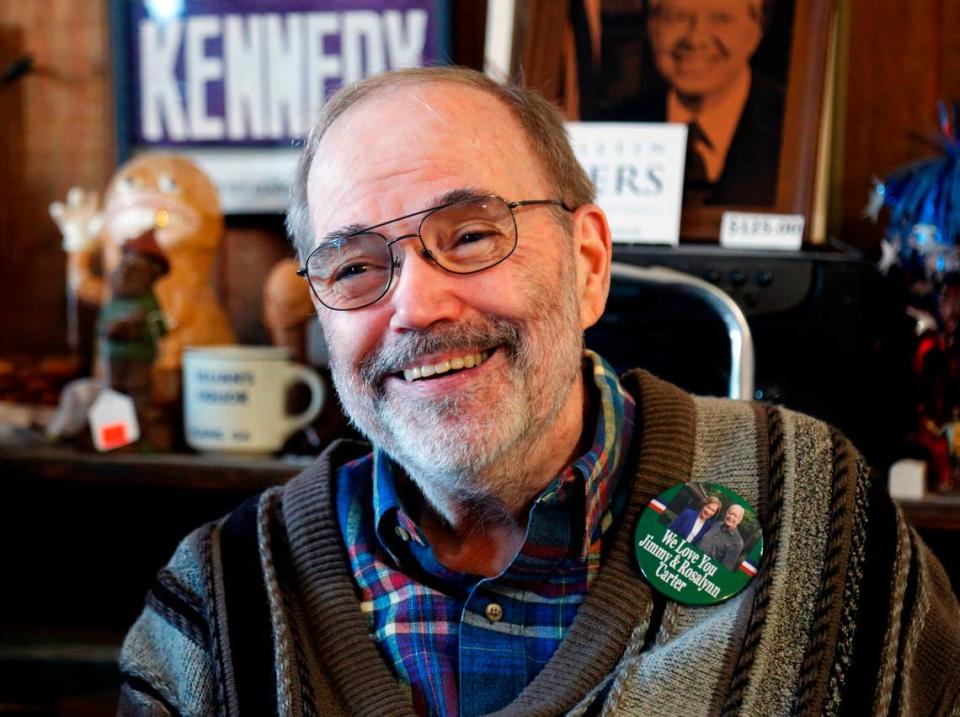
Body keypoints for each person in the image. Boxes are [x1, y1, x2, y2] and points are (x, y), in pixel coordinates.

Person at [118, 66, 960, 716]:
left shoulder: (814, 511)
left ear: (589, 263)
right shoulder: (214, 615)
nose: (415, 305)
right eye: (357, 267)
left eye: (474, 234)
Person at [606, 0, 784, 205]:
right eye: (676, 17)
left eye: (721, 19)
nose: (695, 38)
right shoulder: (614, 127)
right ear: (652, 27)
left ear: (756, 31)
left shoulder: (794, 133)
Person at [697, 503, 746, 570]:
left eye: (735, 516)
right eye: (730, 513)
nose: (731, 517)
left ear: (739, 520)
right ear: (726, 513)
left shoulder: (737, 542)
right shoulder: (717, 524)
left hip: (703, 571)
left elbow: (725, 568)